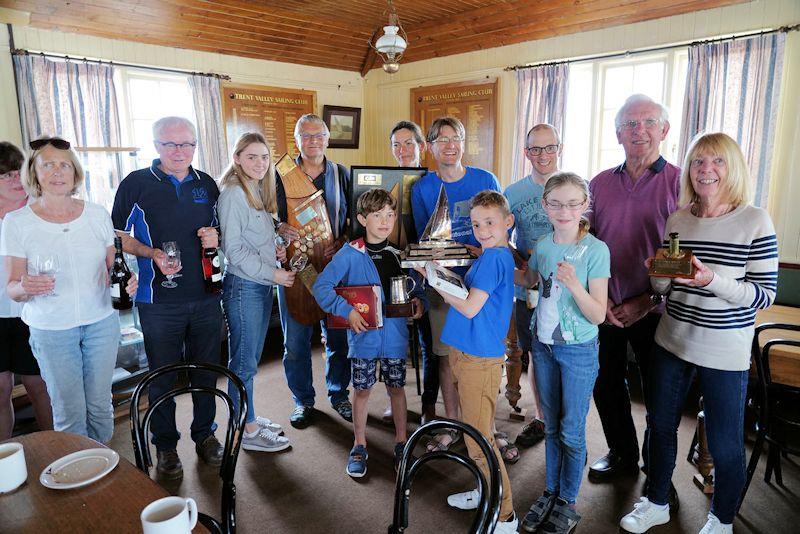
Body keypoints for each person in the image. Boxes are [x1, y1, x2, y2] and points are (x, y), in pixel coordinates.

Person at [619, 133, 778, 534]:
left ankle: (721, 519)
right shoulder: (679, 218)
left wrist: (711, 280)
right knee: (660, 426)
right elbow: (666, 287)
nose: (706, 170)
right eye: (698, 162)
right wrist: (656, 279)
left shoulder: (755, 219)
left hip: (725, 350)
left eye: (717, 162)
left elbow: (763, 296)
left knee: (725, 444)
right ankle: (656, 501)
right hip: (672, 340)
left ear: (733, 168)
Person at [1, 137, 137, 443]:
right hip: (51, 329)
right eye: (48, 164)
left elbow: (115, 270)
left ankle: (101, 464)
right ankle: (77, 474)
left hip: (101, 322)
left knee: (101, 406)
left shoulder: (96, 213)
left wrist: (129, 281)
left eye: (65, 164)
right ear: (34, 173)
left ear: (75, 173)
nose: (57, 171)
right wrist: (24, 286)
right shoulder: (18, 222)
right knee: (69, 411)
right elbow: (13, 289)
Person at [112, 117, 224, 478]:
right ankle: (166, 446)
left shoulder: (206, 183)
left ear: (195, 146)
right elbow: (115, 234)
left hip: (206, 296)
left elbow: (222, 226)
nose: (180, 152)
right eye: (171, 144)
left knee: (206, 373)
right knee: (162, 377)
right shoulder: (137, 183)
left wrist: (216, 236)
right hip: (157, 301)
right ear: (156, 145)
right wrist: (152, 254)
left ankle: (205, 435)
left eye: (187, 144)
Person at [586, 94, 680, 486]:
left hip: (657, 310)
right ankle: (621, 453)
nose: (638, 131)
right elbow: (586, 241)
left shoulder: (681, 181)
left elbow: (682, 250)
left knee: (660, 399)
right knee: (606, 385)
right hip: (606, 305)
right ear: (618, 132)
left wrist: (649, 299)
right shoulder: (599, 183)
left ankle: (659, 478)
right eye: (629, 124)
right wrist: (601, 296)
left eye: (647, 122)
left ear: (664, 130)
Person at [417, 190, 518, 533]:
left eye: (490, 222)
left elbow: (471, 306)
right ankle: (483, 489)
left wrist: (433, 279)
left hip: (479, 358)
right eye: (476, 224)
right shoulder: (491, 256)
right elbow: (472, 296)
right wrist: (445, 277)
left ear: (508, 222)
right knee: (479, 429)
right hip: (468, 351)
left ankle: (505, 515)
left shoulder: (494, 259)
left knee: (478, 438)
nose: (482, 229)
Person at [517, 172, 610, 534]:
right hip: (543, 345)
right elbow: (529, 281)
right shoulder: (542, 245)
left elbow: (599, 314)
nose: (564, 210)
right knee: (552, 426)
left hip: (578, 350)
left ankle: (568, 500)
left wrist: (574, 284)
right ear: (544, 205)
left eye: (573, 203)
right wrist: (489, 255)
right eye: (555, 203)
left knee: (572, 431)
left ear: (584, 205)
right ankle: (551, 490)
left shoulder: (596, 250)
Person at [313, 188, 424, 478]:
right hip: (363, 339)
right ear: (362, 218)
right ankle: (359, 443)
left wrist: (417, 302)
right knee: (362, 390)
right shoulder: (349, 254)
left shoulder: (399, 254)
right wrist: (346, 310)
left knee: (397, 389)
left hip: (395, 339)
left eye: (390, 214)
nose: (385, 221)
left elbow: (414, 289)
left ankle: (401, 441)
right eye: (377, 215)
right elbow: (321, 287)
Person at [410, 116, 501, 451]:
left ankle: (485, 426)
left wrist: (484, 252)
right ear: (430, 146)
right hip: (444, 288)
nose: (450, 145)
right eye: (441, 139)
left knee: (483, 356)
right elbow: (425, 239)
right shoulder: (422, 189)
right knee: (447, 358)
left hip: (483, 284)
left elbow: (502, 228)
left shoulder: (485, 178)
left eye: (456, 137)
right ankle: (453, 425)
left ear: (464, 143)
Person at [218, 132, 295, 453]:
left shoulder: (256, 190)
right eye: (252, 157)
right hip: (244, 288)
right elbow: (233, 250)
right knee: (244, 363)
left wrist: (278, 241)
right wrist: (273, 271)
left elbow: (254, 238)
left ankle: (247, 416)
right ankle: (246, 430)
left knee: (250, 358)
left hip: (259, 285)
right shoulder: (234, 194)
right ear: (236, 158)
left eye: (264, 157)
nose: (260, 163)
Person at [274, 113, 352, 428]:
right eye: (306, 136)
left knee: (338, 338)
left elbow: (355, 220)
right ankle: (303, 401)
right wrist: (279, 228)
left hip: (334, 267)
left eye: (318, 135)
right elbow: (266, 214)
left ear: (327, 139)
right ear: (296, 141)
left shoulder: (341, 174)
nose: (313, 141)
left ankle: (339, 395)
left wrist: (343, 240)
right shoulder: (280, 175)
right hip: (295, 268)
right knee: (295, 341)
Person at [503, 123, 560, 451]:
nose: (542, 155)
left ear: (558, 149)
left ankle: (563, 422)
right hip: (527, 289)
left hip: (564, 291)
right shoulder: (513, 192)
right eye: (535, 149)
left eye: (548, 147)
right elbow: (501, 236)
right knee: (536, 354)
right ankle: (542, 417)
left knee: (561, 356)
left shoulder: (572, 187)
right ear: (526, 153)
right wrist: (520, 259)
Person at [0, 141, 52, 440]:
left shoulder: (38, 211)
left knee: (39, 385)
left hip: (34, 313)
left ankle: (57, 449)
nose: (15, 180)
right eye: (5, 175)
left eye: (17, 172)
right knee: (1, 388)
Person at [387, 120, 436, 424]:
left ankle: (429, 406)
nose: (402, 150)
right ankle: (397, 402)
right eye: (396, 144)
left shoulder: (432, 182)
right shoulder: (384, 182)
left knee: (429, 344)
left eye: (408, 143)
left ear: (421, 147)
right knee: (393, 343)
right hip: (392, 273)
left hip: (426, 273)